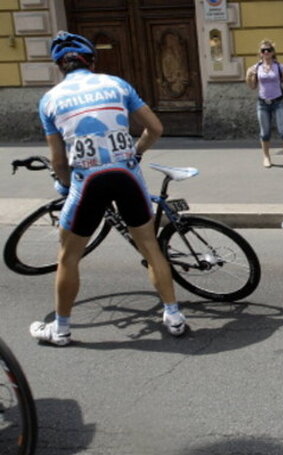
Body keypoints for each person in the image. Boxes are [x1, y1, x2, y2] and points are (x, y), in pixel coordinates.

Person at [31, 31, 189, 346]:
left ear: (60, 66)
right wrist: (137, 152)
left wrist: (63, 185)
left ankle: (60, 330)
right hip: (126, 174)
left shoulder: (49, 100)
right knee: (150, 247)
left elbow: (59, 161)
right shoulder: (117, 84)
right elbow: (155, 128)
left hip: (87, 180)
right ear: (91, 60)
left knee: (68, 257)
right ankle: (173, 315)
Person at [245, 39, 283, 170]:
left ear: (273, 52)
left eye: (269, 50)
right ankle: (266, 157)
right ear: (260, 53)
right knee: (265, 132)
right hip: (262, 103)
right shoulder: (257, 68)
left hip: (278, 102)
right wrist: (248, 75)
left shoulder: (279, 67)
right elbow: (252, 86)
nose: (266, 52)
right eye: (263, 50)